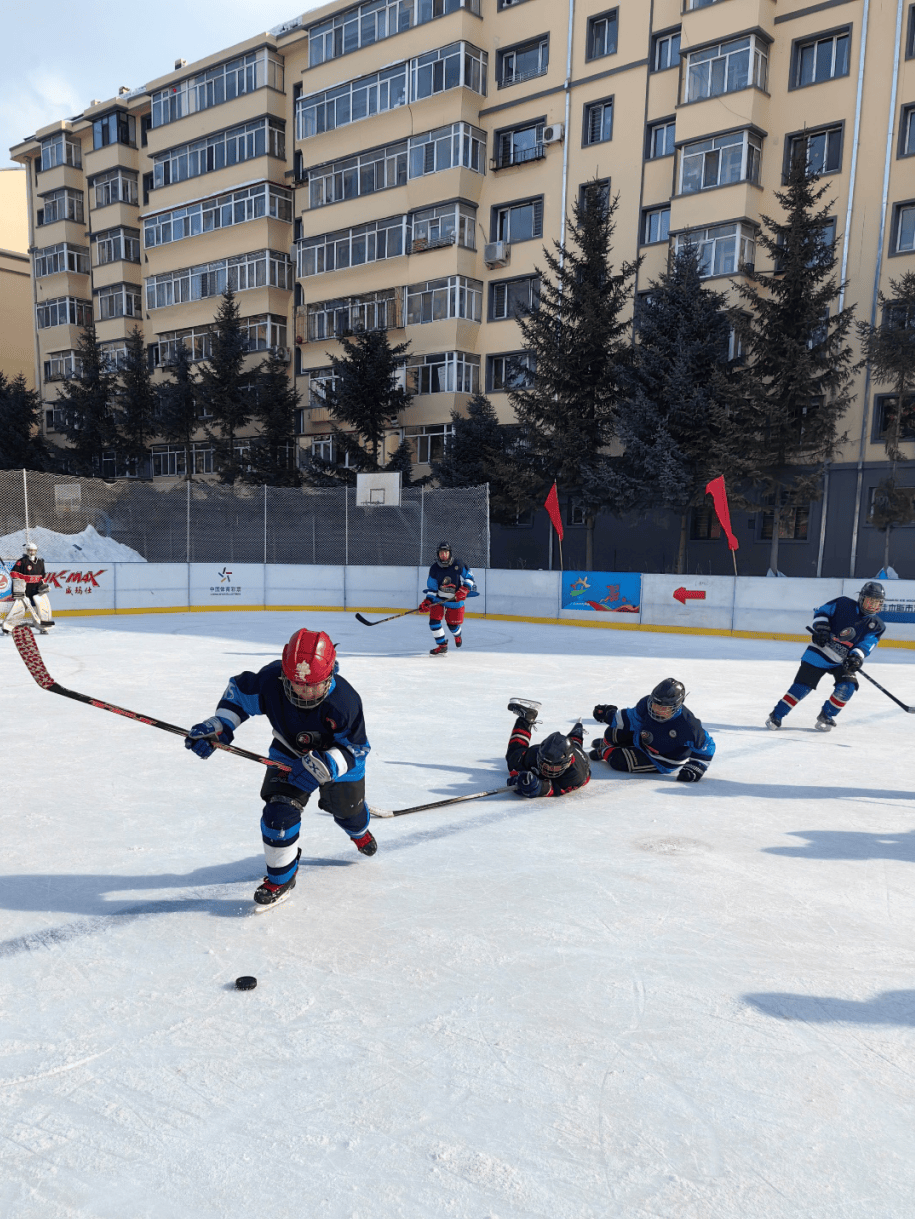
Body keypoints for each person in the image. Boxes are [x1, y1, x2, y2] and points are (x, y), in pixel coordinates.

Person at [184, 628, 375, 906]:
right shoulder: (272, 681)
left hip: (338, 761)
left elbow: (357, 750)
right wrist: (219, 726)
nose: (305, 692)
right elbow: (239, 697)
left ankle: (359, 831)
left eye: (314, 685)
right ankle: (281, 877)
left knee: (348, 813)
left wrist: (325, 765)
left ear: (330, 674)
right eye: (297, 684)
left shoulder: (345, 701)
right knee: (278, 813)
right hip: (289, 752)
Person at [767, 581, 886, 732]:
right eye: (870, 601)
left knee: (848, 687)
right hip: (820, 652)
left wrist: (856, 657)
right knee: (802, 687)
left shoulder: (877, 625)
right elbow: (822, 612)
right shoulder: (843, 603)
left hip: (843, 660)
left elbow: (867, 644)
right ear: (862, 598)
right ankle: (776, 715)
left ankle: (827, 715)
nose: (873, 606)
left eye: (877, 603)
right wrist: (822, 629)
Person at [589, 678, 716, 781]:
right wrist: (609, 715)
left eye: (664, 708)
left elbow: (706, 745)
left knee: (616, 759)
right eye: (655, 705)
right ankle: (608, 744)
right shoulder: (645, 703)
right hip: (643, 739)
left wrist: (695, 768)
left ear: (676, 706)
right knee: (611, 732)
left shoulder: (688, 724)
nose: (657, 710)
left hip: (660, 759)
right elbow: (632, 718)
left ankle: (604, 751)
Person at [504, 699, 591, 798]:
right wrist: (518, 779)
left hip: (581, 758)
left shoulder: (575, 775)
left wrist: (538, 788)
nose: (547, 771)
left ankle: (578, 729)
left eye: (554, 768)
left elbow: (556, 789)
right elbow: (515, 769)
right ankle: (526, 718)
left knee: (576, 743)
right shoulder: (534, 753)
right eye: (544, 765)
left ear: (566, 764)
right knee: (513, 759)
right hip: (562, 752)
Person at [419, 540, 476, 656]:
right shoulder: (434, 569)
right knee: (434, 622)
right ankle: (442, 646)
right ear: (438, 554)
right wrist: (428, 601)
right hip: (439, 599)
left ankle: (457, 635)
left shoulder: (458, 564)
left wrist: (465, 588)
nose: (443, 555)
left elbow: (469, 577)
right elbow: (432, 588)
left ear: (449, 553)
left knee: (453, 626)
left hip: (455, 600)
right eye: (441, 553)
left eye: (445, 552)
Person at [1, 541, 55, 635]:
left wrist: (43, 585)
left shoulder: (40, 562)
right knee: (18, 609)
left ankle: (44, 627)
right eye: (29, 550)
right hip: (24, 591)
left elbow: (42, 577)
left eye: (33, 551)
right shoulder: (21, 562)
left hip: (37, 590)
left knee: (43, 607)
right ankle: (8, 627)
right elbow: (14, 574)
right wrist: (18, 585)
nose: (31, 552)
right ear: (26, 551)